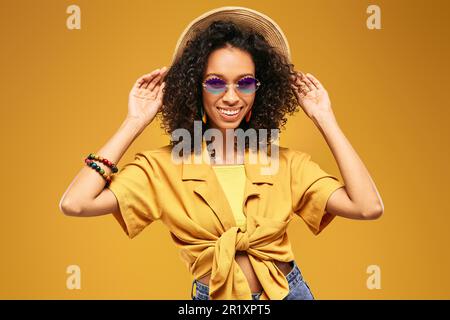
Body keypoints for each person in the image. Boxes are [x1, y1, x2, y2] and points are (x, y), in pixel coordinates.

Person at [59, 6, 384, 300]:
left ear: (261, 89)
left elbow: (367, 207)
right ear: (195, 87)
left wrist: (325, 119)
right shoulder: (161, 168)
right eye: (216, 82)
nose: (231, 97)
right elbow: (77, 203)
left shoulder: (285, 163)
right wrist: (133, 122)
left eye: (244, 83)